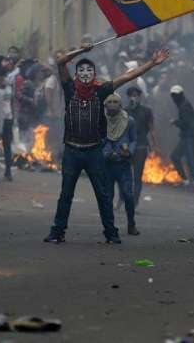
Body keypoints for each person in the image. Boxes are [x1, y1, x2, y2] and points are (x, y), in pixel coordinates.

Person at [44, 46, 169, 244]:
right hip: (71, 151)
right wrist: (80, 50)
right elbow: (60, 62)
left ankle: (111, 233)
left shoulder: (101, 90)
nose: (85, 74)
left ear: (94, 75)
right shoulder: (69, 88)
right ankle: (57, 231)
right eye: (81, 71)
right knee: (66, 194)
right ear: (76, 74)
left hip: (94, 151)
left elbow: (128, 76)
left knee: (103, 195)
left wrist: (152, 64)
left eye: (89, 71)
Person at [102, 94, 139, 236]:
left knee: (128, 195)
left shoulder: (129, 121)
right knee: (108, 197)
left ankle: (131, 224)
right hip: (107, 165)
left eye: (115, 102)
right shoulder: (101, 122)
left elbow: (134, 139)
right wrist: (107, 153)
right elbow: (100, 141)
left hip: (123, 165)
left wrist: (129, 151)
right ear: (105, 105)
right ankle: (110, 227)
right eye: (109, 101)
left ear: (120, 105)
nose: (112, 104)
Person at [126, 86, 158, 205]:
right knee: (124, 176)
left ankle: (134, 202)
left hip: (141, 147)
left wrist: (155, 146)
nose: (133, 98)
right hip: (126, 148)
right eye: (131, 95)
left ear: (140, 97)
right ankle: (123, 198)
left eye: (135, 95)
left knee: (137, 176)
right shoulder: (124, 111)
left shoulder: (146, 111)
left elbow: (152, 129)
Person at [169, 85, 194, 191]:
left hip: (189, 137)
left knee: (191, 161)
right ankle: (186, 180)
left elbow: (186, 123)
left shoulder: (184, 106)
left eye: (176, 95)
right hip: (186, 137)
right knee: (175, 156)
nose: (174, 97)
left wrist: (175, 122)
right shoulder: (183, 104)